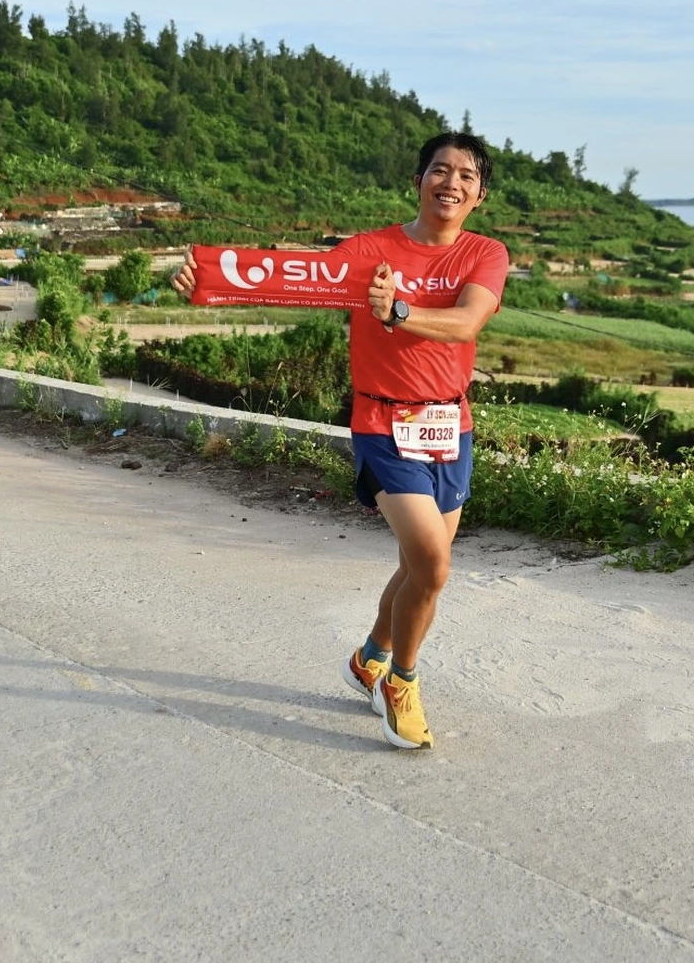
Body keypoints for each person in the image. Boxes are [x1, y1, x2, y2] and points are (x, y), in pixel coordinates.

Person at [172, 132, 508, 750]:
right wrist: (207, 278)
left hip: (449, 428)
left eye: (466, 176)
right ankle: (400, 682)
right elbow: (287, 277)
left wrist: (396, 310)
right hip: (382, 424)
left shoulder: (485, 253)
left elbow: (467, 323)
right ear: (418, 180)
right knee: (433, 563)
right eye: (440, 170)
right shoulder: (370, 251)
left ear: (480, 195)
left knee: (417, 566)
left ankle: (369, 657)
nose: (451, 183)